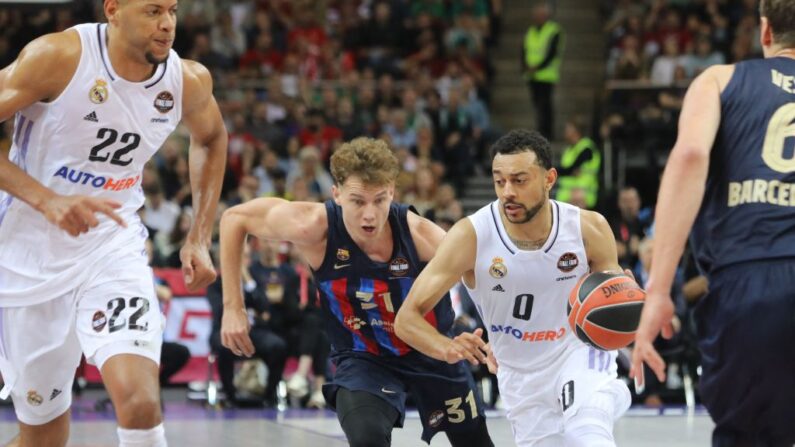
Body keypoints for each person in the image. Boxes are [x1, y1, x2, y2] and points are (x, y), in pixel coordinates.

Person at [0, 1, 227, 445]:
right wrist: (46, 200)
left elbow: (213, 137)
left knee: (140, 403)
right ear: (114, 10)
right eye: (153, 11)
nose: (167, 25)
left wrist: (199, 236)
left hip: (112, 250)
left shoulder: (187, 80)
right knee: (44, 436)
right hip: (27, 261)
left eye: (173, 11)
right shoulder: (58, 57)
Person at [220, 137, 493, 447]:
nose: (369, 214)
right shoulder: (314, 227)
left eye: (379, 200)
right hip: (364, 358)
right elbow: (234, 219)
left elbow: (485, 277)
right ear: (336, 194)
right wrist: (233, 306)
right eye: (357, 201)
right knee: (367, 438)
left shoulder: (421, 235)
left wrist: (496, 337)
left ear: (392, 191)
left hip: (434, 351)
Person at [396, 129, 631, 446]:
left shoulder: (588, 228)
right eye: (499, 181)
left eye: (520, 180)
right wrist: (447, 347)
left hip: (577, 350)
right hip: (519, 374)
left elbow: (614, 300)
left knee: (587, 433)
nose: (507, 191)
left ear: (549, 178)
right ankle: (610, 397)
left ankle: (604, 397)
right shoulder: (471, 236)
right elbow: (406, 318)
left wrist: (628, 307)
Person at [632, 1, 795, 446]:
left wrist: (659, 289)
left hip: (751, 281)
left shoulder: (719, 80)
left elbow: (688, 157)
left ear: (764, 31)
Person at [522, 2, 564, 139]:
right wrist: (525, 67)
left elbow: (552, 53)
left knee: (546, 105)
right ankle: (541, 130)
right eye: (536, 14)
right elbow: (524, 50)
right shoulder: (530, 31)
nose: (538, 17)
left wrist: (537, 67)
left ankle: (548, 133)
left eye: (541, 14)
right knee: (536, 105)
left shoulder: (554, 30)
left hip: (546, 75)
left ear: (546, 15)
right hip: (532, 75)